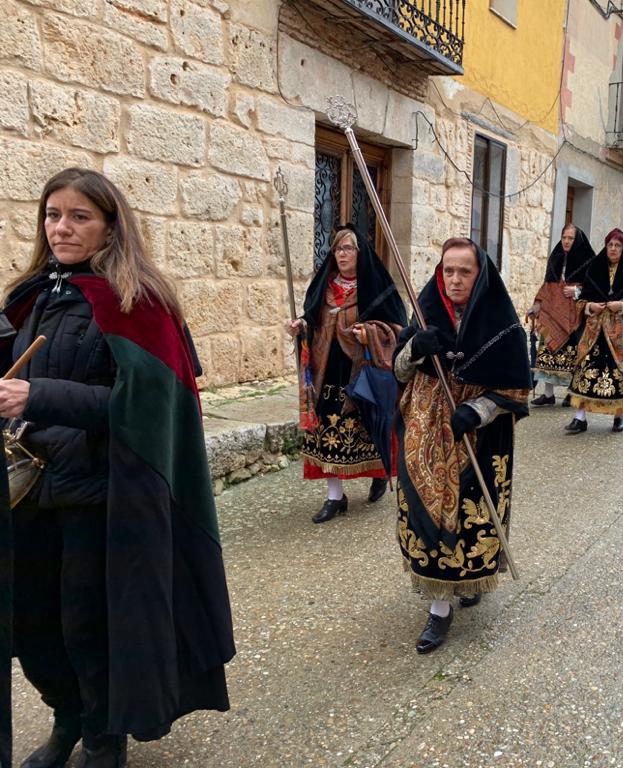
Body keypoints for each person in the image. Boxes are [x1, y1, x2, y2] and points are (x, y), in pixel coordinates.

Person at [0, 168, 234, 767]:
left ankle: (105, 735)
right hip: (29, 489)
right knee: (32, 624)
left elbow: (149, 408)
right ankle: (67, 719)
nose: (62, 227)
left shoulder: (139, 301)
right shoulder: (32, 296)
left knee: (87, 625)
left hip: (101, 493)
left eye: (79, 216)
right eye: (53, 214)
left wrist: (37, 396)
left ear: (110, 225)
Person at [393, 237, 531, 654]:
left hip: (479, 435)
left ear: (479, 274)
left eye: (463, 272)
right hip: (425, 428)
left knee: (474, 514)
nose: (454, 279)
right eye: (447, 270)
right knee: (427, 513)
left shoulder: (502, 323)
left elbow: (516, 387)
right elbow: (398, 371)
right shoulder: (424, 310)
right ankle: (439, 608)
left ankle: (471, 580)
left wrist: (480, 409)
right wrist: (415, 349)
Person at [286, 226, 408, 524]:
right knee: (328, 431)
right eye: (338, 249)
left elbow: (398, 329)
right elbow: (312, 319)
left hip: (361, 373)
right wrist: (300, 326)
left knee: (366, 426)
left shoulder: (376, 286)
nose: (341, 254)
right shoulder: (323, 287)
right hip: (327, 371)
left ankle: (379, 472)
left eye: (348, 248)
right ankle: (334, 496)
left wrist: (369, 333)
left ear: (360, 253)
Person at [565, 230, 623, 434]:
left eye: (617, 246)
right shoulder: (595, 267)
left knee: (619, 374)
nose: (613, 249)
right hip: (595, 330)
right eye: (610, 245)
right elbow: (581, 301)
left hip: (622, 332)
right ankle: (580, 417)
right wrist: (590, 307)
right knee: (585, 368)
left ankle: (620, 415)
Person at [525, 224, 594, 407]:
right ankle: (548, 395)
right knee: (548, 351)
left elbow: (595, 287)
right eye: (564, 237)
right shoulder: (555, 257)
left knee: (572, 354)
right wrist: (537, 305)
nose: (566, 241)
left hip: (575, 316)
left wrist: (578, 290)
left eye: (570, 238)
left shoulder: (588, 260)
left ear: (577, 240)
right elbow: (547, 285)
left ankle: (572, 392)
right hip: (551, 314)